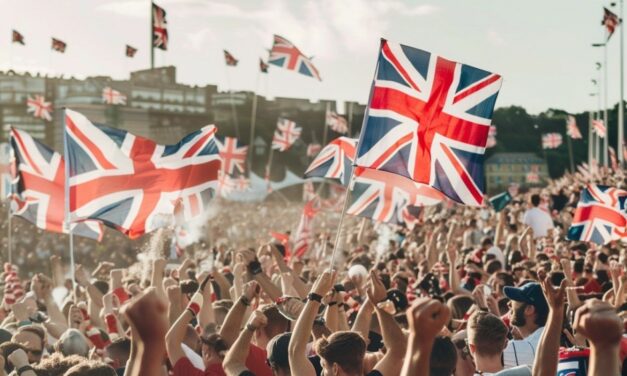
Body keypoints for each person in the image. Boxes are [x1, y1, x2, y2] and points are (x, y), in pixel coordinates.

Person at [502, 282, 548, 368]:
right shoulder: (547, 337)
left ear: (529, 309)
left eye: (516, 299)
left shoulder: (528, 346)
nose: (509, 304)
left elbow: (479, 354)